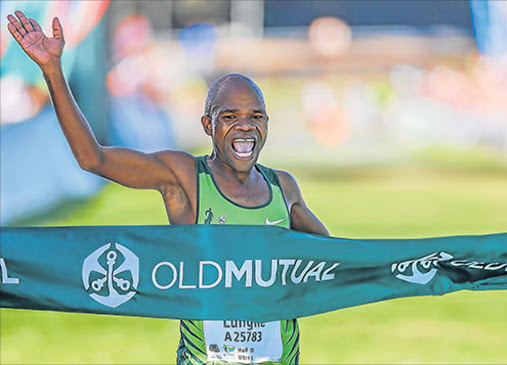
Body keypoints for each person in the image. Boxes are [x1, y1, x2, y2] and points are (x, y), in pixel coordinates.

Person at [7, 10, 329, 365]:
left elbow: (334, 262)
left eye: (255, 117)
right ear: (208, 124)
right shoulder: (185, 177)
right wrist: (52, 70)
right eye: (229, 117)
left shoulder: (282, 188)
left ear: (266, 124)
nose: (244, 127)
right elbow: (93, 159)